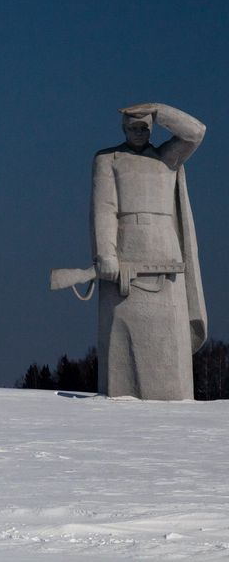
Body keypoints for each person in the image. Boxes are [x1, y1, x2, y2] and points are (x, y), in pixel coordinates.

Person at [91, 103, 207, 399]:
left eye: (144, 127)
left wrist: (157, 109)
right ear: (123, 129)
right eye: (133, 128)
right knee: (124, 336)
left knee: (170, 340)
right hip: (126, 254)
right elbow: (104, 209)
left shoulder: (168, 157)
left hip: (166, 251)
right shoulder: (108, 159)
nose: (139, 133)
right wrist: (106, 254)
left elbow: (196, 132)